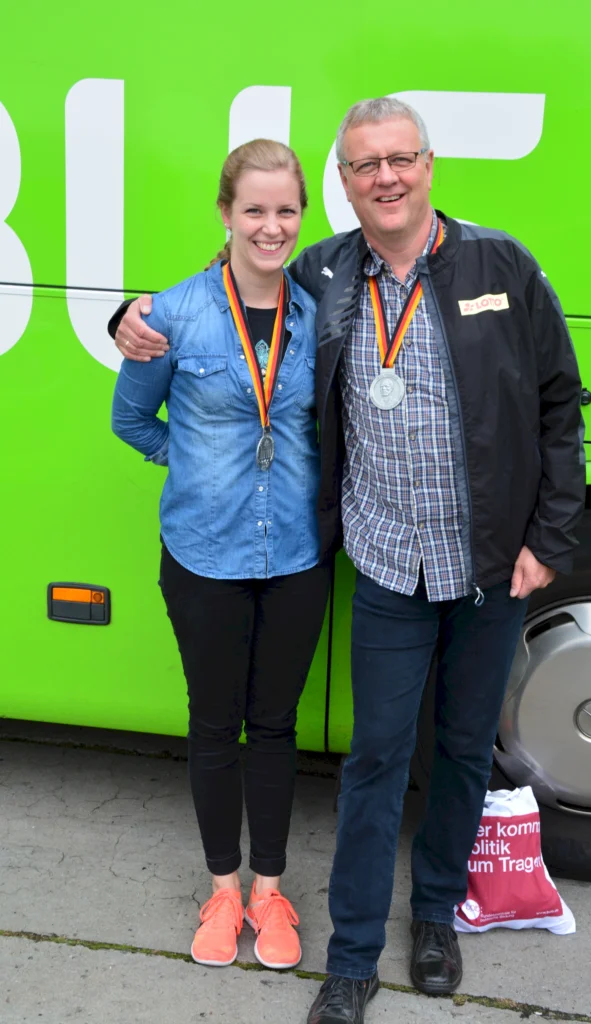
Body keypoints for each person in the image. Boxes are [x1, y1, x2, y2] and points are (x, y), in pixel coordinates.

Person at [110, 98, 585, 1024]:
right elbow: (210, 305)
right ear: (345, 184)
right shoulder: (329, 270)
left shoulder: (501, 265)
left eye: (399, 159)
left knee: (458, 752)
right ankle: (354, 957)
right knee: (373, 758)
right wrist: (129, 317)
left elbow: (559, 405)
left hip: (484, 566)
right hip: (381, 564)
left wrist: (548, 539)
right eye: (364, 166)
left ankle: (436, 919)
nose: (385, 179)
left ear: (428, 163)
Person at [111, 139, 331, 975]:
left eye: (285, 211)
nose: (270, 227)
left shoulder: (319, 313)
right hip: (203, 553)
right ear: (225, 212)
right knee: (213, 724)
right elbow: (132, 422)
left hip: (298, 555)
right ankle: (223, 889)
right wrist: (202, 468)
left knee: (274, 725)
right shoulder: (170, 314)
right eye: (254, 210)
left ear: (301, 215)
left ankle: (270, 890)